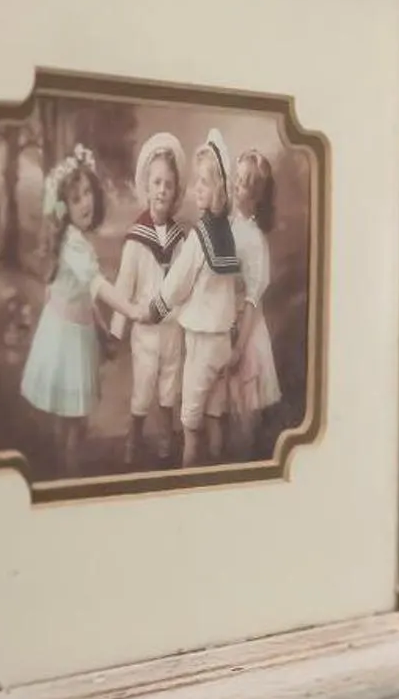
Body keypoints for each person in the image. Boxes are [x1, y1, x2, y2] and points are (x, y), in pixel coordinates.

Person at [19, 144, 151, 476]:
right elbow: (97, 287)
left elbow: (84, 297)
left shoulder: (77, 239)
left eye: (88, 193)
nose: (86, 202)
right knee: (71, 424)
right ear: (63, 207)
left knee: (72, 421)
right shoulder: (73, 245)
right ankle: (67, 476)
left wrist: (103, 331)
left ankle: (66, 470)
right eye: (76, 198)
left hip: (75, 331)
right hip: (64, 341)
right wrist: (133, 310)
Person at [151, 130, 244, 468]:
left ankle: (188, 470)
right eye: (196, 183)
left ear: (219, 188)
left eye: (204, 183)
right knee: (216, 412)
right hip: (223, 340)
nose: (196, 189)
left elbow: (177, 282)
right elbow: (231, 287)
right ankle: (219, 465)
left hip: (203, 342)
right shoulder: (226, 234)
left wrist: (157, 305)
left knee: (191, 418)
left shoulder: (198, 237)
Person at [111, 131, 186, 469]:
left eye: (168, 184)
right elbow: (123, 288)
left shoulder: (180, 239)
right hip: (145, 326)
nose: (162, 190)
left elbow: (186, 284)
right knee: (143, 386)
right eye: (156, 182)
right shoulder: (135, 240)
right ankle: (134, 434)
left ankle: (167, 434)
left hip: (172, 328)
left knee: (170, 384)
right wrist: (116, 330)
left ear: (175, 192)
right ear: (146, 186)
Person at [224, 147, 283, 460]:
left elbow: (251, 300)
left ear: (258, 196)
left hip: (248, 337)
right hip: (227, 327)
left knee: (245, 417)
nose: (237, 184)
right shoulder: (228, 226)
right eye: (237, 177)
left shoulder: (255, 240)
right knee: (228, 412)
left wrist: (238, 346)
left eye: (246, 182)